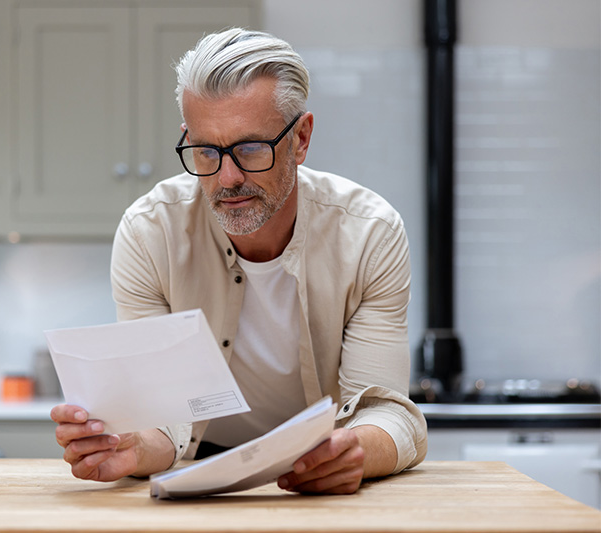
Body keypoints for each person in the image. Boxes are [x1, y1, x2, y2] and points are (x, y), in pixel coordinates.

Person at [51, 27, 427, 495]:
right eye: (206, 151)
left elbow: (388, 412)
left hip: (318, 472)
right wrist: (129, 447)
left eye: (250, 149)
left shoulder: (370, 233)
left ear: (301, 139)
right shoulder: (151, 232)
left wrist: (354, 450)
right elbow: (161, 419)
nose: (227, 178)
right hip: (195, 470)